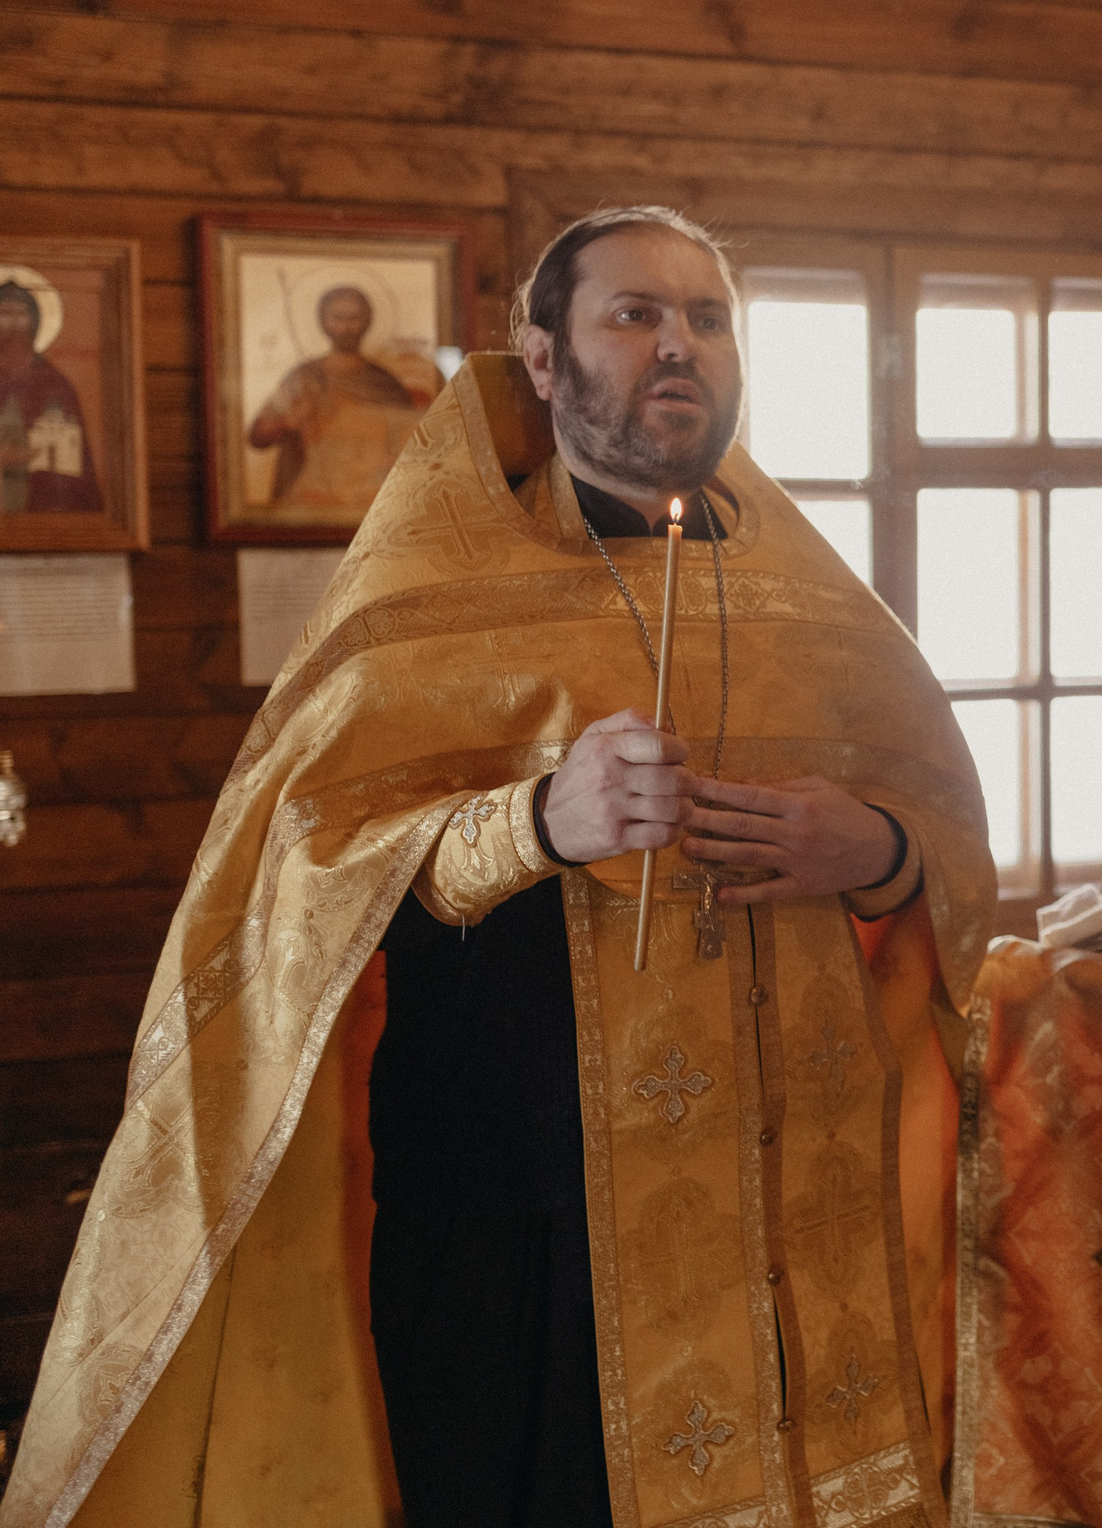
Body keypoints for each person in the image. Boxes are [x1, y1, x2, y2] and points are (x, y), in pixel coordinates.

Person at [2, 206, 995, 1528]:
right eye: (634, 313)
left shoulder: (822, 608)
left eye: (705, 316)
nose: (679, 343)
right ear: (541, 355)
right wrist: (534, 821)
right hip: (523, 1208)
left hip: (791, 1207)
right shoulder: (430, 592)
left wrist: (877, 849)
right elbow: (305, 877)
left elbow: (941, 836)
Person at [245, 284, 427, 513]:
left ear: (367, 321)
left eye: (354, 318)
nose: (346, 327)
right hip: (305, 495)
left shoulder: (385, 382)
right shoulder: (303, 377)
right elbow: (257, 436)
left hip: (366, 498)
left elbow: (410, 443)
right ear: (323, 321)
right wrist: (291, 420)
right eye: (338, 318)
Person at [0, 278, 104, 514]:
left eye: (21, 313)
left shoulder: (54, 384)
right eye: (5, 313)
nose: (13, 323)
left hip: (43, 504)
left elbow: (74, 462)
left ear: (34, 321)